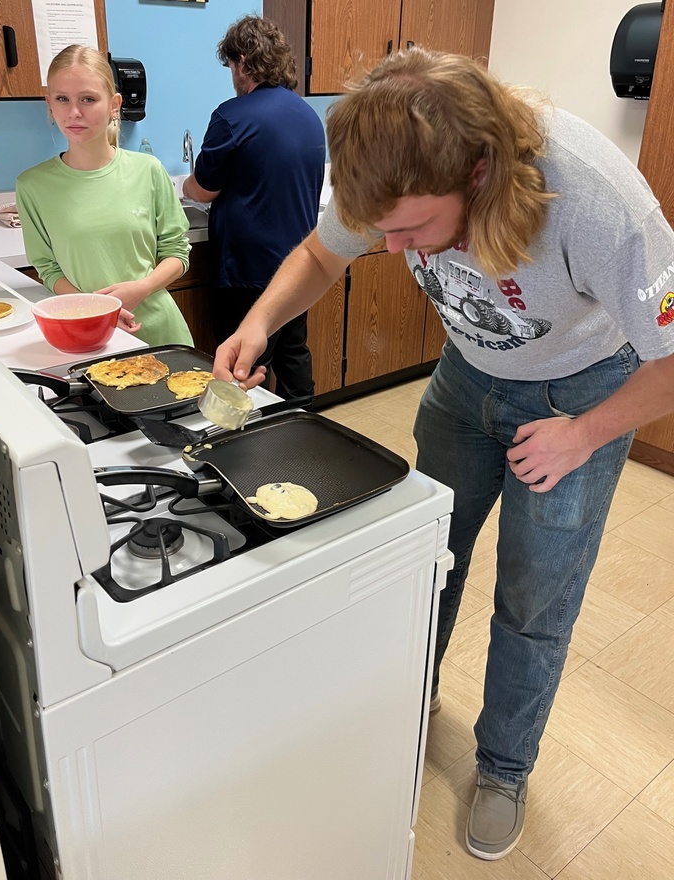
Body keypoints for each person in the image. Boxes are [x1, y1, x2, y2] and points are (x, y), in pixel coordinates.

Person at [212, 47, 674, 860]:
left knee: (535, 601)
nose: (391, 250)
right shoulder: (388, 168)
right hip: (465, 381)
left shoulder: (596, 201)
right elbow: (324, 253)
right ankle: (406, 699)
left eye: (411, 230)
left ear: (478, 171)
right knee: (427, 558)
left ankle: (503, 767)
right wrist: (260, 322)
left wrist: (584, 432)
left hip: (580, 393)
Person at [182, 14, 325, 400]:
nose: (232, 74)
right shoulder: (308, 116)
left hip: (248, 270)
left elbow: (203, 190)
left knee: (243, 365)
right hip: (301, 265)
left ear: (243, 60)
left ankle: (244, 439)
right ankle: (304, 429)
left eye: (231, 65)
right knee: (293, 353)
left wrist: (184, 184)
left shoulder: (232, 116)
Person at [16, 45, 193, 347]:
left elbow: (177, 252)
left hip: (159, 333)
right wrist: (98, 312)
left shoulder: (148, 171)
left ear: (114, 104)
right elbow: (47, 268)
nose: (74, 112)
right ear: (49, 104)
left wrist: (142, 288)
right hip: (85, 334)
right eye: (62, 99)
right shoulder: (32, 186)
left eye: (88, 99)